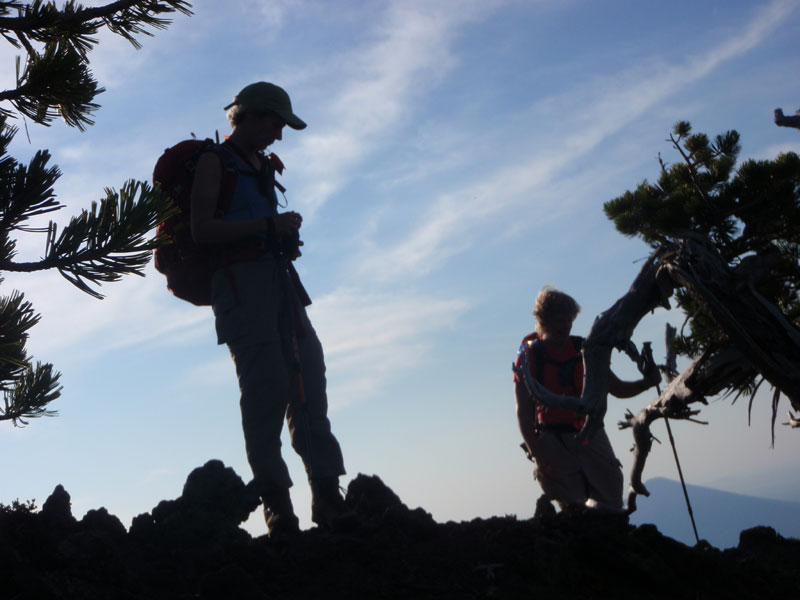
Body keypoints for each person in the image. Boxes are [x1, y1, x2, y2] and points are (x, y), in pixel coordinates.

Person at [190, 81, 353, 537]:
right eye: (276, 124)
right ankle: (278, 509)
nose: (280, 135)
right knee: (265, 393)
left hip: (279, 283)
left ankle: (327, 497)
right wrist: (268, 224)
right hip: (242, 290)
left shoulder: (260, 164)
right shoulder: (212, 161)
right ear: (253, 115)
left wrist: (277, 232)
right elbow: (202, 230)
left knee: (308, 381)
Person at [513, 286, 660, 511]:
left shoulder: (584, 349)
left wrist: (645, 384)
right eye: (560, 320)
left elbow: (616, 388)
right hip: (552, 437)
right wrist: (538, 455)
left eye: (569, 320)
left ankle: (602, 537)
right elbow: (523, 412)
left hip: (589, 430)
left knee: (611, 495)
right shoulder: (529, 357)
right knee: (572, 505)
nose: (566, 326)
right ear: (544, 320)